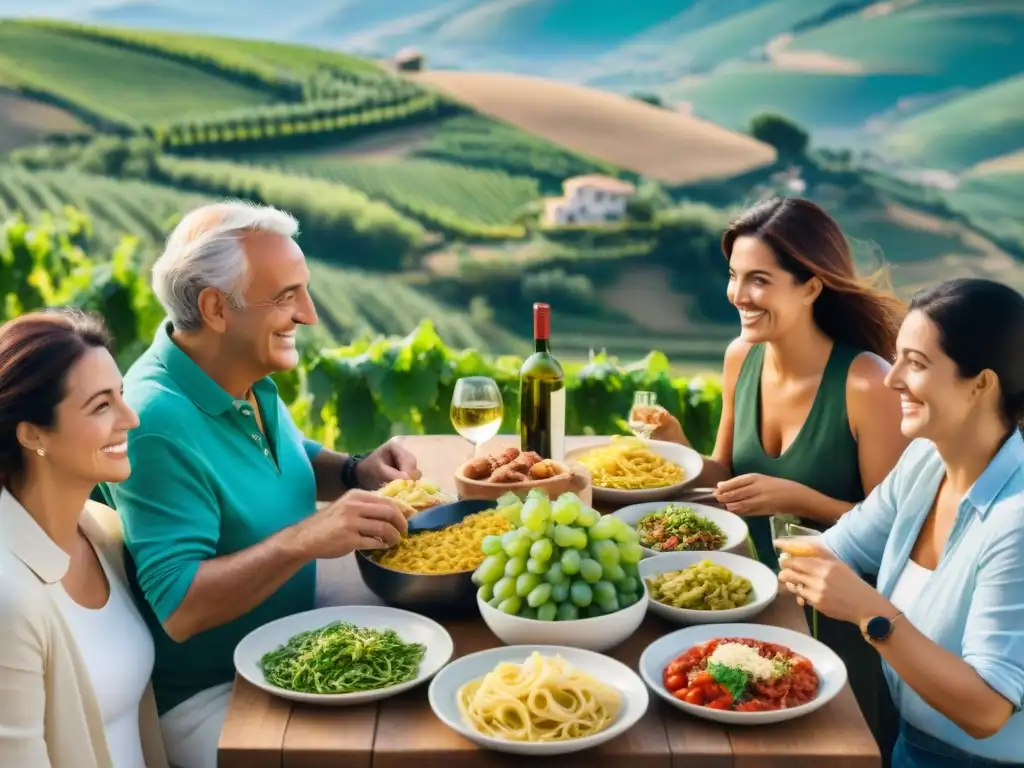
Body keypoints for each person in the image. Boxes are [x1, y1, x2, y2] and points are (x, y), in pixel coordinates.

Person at [97, 201, 415, 768]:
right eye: (286, 296)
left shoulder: (235, 372)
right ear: (217, 308)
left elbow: (280, 456)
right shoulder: (157, 421)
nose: (310, 315)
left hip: (297, 653)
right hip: (219, 703)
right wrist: (306, 538)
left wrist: (352, 470)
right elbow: (181, 606)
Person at [641, 197, 908, 754]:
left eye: (759, 280)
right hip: (747, 601)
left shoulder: (865, 383)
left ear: (810, 286)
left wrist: (801, 498)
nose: (739, 295)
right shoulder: (742, 356)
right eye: (735, 276)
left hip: (837, 619)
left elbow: (899, 536)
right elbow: (726, 477)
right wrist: (677, 448)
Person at [777, 277, 1024, 766]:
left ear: (981, 383)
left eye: (917, 363)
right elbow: (833, 549)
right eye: (898, 357)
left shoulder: (1016, 521)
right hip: (905, 742)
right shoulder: (924, 463)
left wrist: (873, 615)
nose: (892, 379)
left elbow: (988, 709)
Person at [0, 310, 168, 768]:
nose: (130, 419)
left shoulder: (102, 530)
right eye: (101, 406)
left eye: (122, 396)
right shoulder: (9, 598)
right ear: (34, 434)